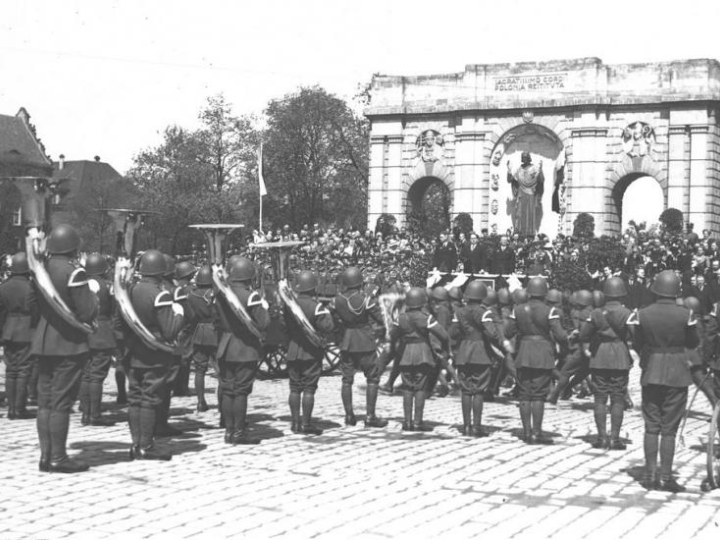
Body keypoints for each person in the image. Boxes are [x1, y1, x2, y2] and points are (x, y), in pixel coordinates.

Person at [31, 224, 98, 473]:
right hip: (68, 342)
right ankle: (58, 457)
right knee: (61, 402)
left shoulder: (41, 269)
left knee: (45, 402)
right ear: (73, 247)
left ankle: (46, 456)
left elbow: (33, 303)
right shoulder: (74, 272)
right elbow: (87, 310)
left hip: (44, 338)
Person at [628, 270, 699, 492]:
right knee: (669, 429)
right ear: (676, 290)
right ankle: (666, 477)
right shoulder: (686, 314)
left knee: (651, 426)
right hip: (677, 371)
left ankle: (649, 475)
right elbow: (693, 341)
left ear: (656, 289)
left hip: (652, 370)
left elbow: (638, 343)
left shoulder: (643, 313)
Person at [125, 250, 185, 461]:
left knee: (135, 396)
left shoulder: (130, 289)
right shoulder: (160, 294)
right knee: (150, 396)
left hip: (134, 350)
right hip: (154, 350)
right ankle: (146, 445)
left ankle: (135, 444)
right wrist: (179, 313)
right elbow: (169, 330)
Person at [504, 277, 568, 444]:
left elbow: (508, 331)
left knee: (524, 393)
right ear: (544, 293)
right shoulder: (550, 311)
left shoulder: (517, 309)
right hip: (542, 353)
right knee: (538, 395)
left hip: (523, 352)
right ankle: (536, 433)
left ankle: (526, 432)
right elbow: (560, 335)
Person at [215, 257, 270, 445]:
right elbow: (263, 323)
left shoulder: (222, 294)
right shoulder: (251, 296)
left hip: (226, 345)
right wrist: (264, 307)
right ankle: (239, 432)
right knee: (240, 392)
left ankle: (229, 431)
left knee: (228, 390)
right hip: (245, 347)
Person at [578, 277, 633, 450]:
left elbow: (584, 334)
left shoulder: (596, 313)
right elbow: (635, 335)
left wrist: (587, 349)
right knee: (617, 398)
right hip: (619, 356)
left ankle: (601, 438)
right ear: (622, 293)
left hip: (600, 355)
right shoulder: (627, 313)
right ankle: (615, 439)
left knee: (600, 398)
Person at [454, 281, 513, 436]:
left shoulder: (459, 311)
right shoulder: (484, 312)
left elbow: (454, 332)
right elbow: (492, 333)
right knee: (478, 390)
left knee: (466, 391)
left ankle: (466, 426)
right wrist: (501, 344)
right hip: (479, 352)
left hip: (463, 351)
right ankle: (476, 426)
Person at [331, 266, 387, 428]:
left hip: (347, 341)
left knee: (346, 380)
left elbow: (330, 318)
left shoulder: (337, 300)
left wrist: (340, 329)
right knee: (372, 378)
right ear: (359, 283)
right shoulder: (366, 300)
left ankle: (349, 416)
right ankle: (370, 416)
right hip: (365, 341)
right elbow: (381, 319)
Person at [389, 287, 449, 431]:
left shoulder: (401, 317)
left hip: (405, 354)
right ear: (422, 302)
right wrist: (445, 349)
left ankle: (407, 422)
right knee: (420, 388)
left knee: (407, 388)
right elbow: (444, 335)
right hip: (423, 354)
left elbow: (392, 335)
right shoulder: (426, 318)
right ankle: (417, 422)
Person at [284, 270, 334, 435]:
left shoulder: (290, 304)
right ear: (313, 287)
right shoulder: (317, 307)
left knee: (294, 388)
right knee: (309, 388)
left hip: (293, 349)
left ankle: (295, 423)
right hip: (311, 351)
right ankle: (306, 424)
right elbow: (327, 327)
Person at [78, 253, 117, 426]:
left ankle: (85, 413)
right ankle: (95, 414)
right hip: (102, 330)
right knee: (97, 376)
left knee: (86, 374)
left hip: (84, 331)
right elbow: (115, 311)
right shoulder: (108, 286)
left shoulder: (80, 284)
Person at [0, 252, 37, 420]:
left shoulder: (4, 286)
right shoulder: (32, 287)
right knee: (23, 371)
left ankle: (11, 408)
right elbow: (36, 311)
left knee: (11, 370)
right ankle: (19, 409)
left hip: (9, 329)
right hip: (26, 330)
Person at [186, 266, 217, 413]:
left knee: (200, 369)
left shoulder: (192, 295)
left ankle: (200, 401)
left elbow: (191, 317)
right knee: (222, 371)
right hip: (215, 331)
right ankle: (223, 404)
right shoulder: (215, 294)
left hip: (199, 331)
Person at [507, 151, 545, 236]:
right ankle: (519, 233)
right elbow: (511, 180)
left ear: (528, 158)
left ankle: (530, 234)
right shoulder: (519, 169)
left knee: (530, 215)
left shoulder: (534, 168)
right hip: (521, 194)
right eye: (522, 157)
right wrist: (509, 170)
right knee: (519, 214)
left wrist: (541, 170)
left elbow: (541, 180)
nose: (523, 158)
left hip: (531, 194)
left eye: (525, 157)